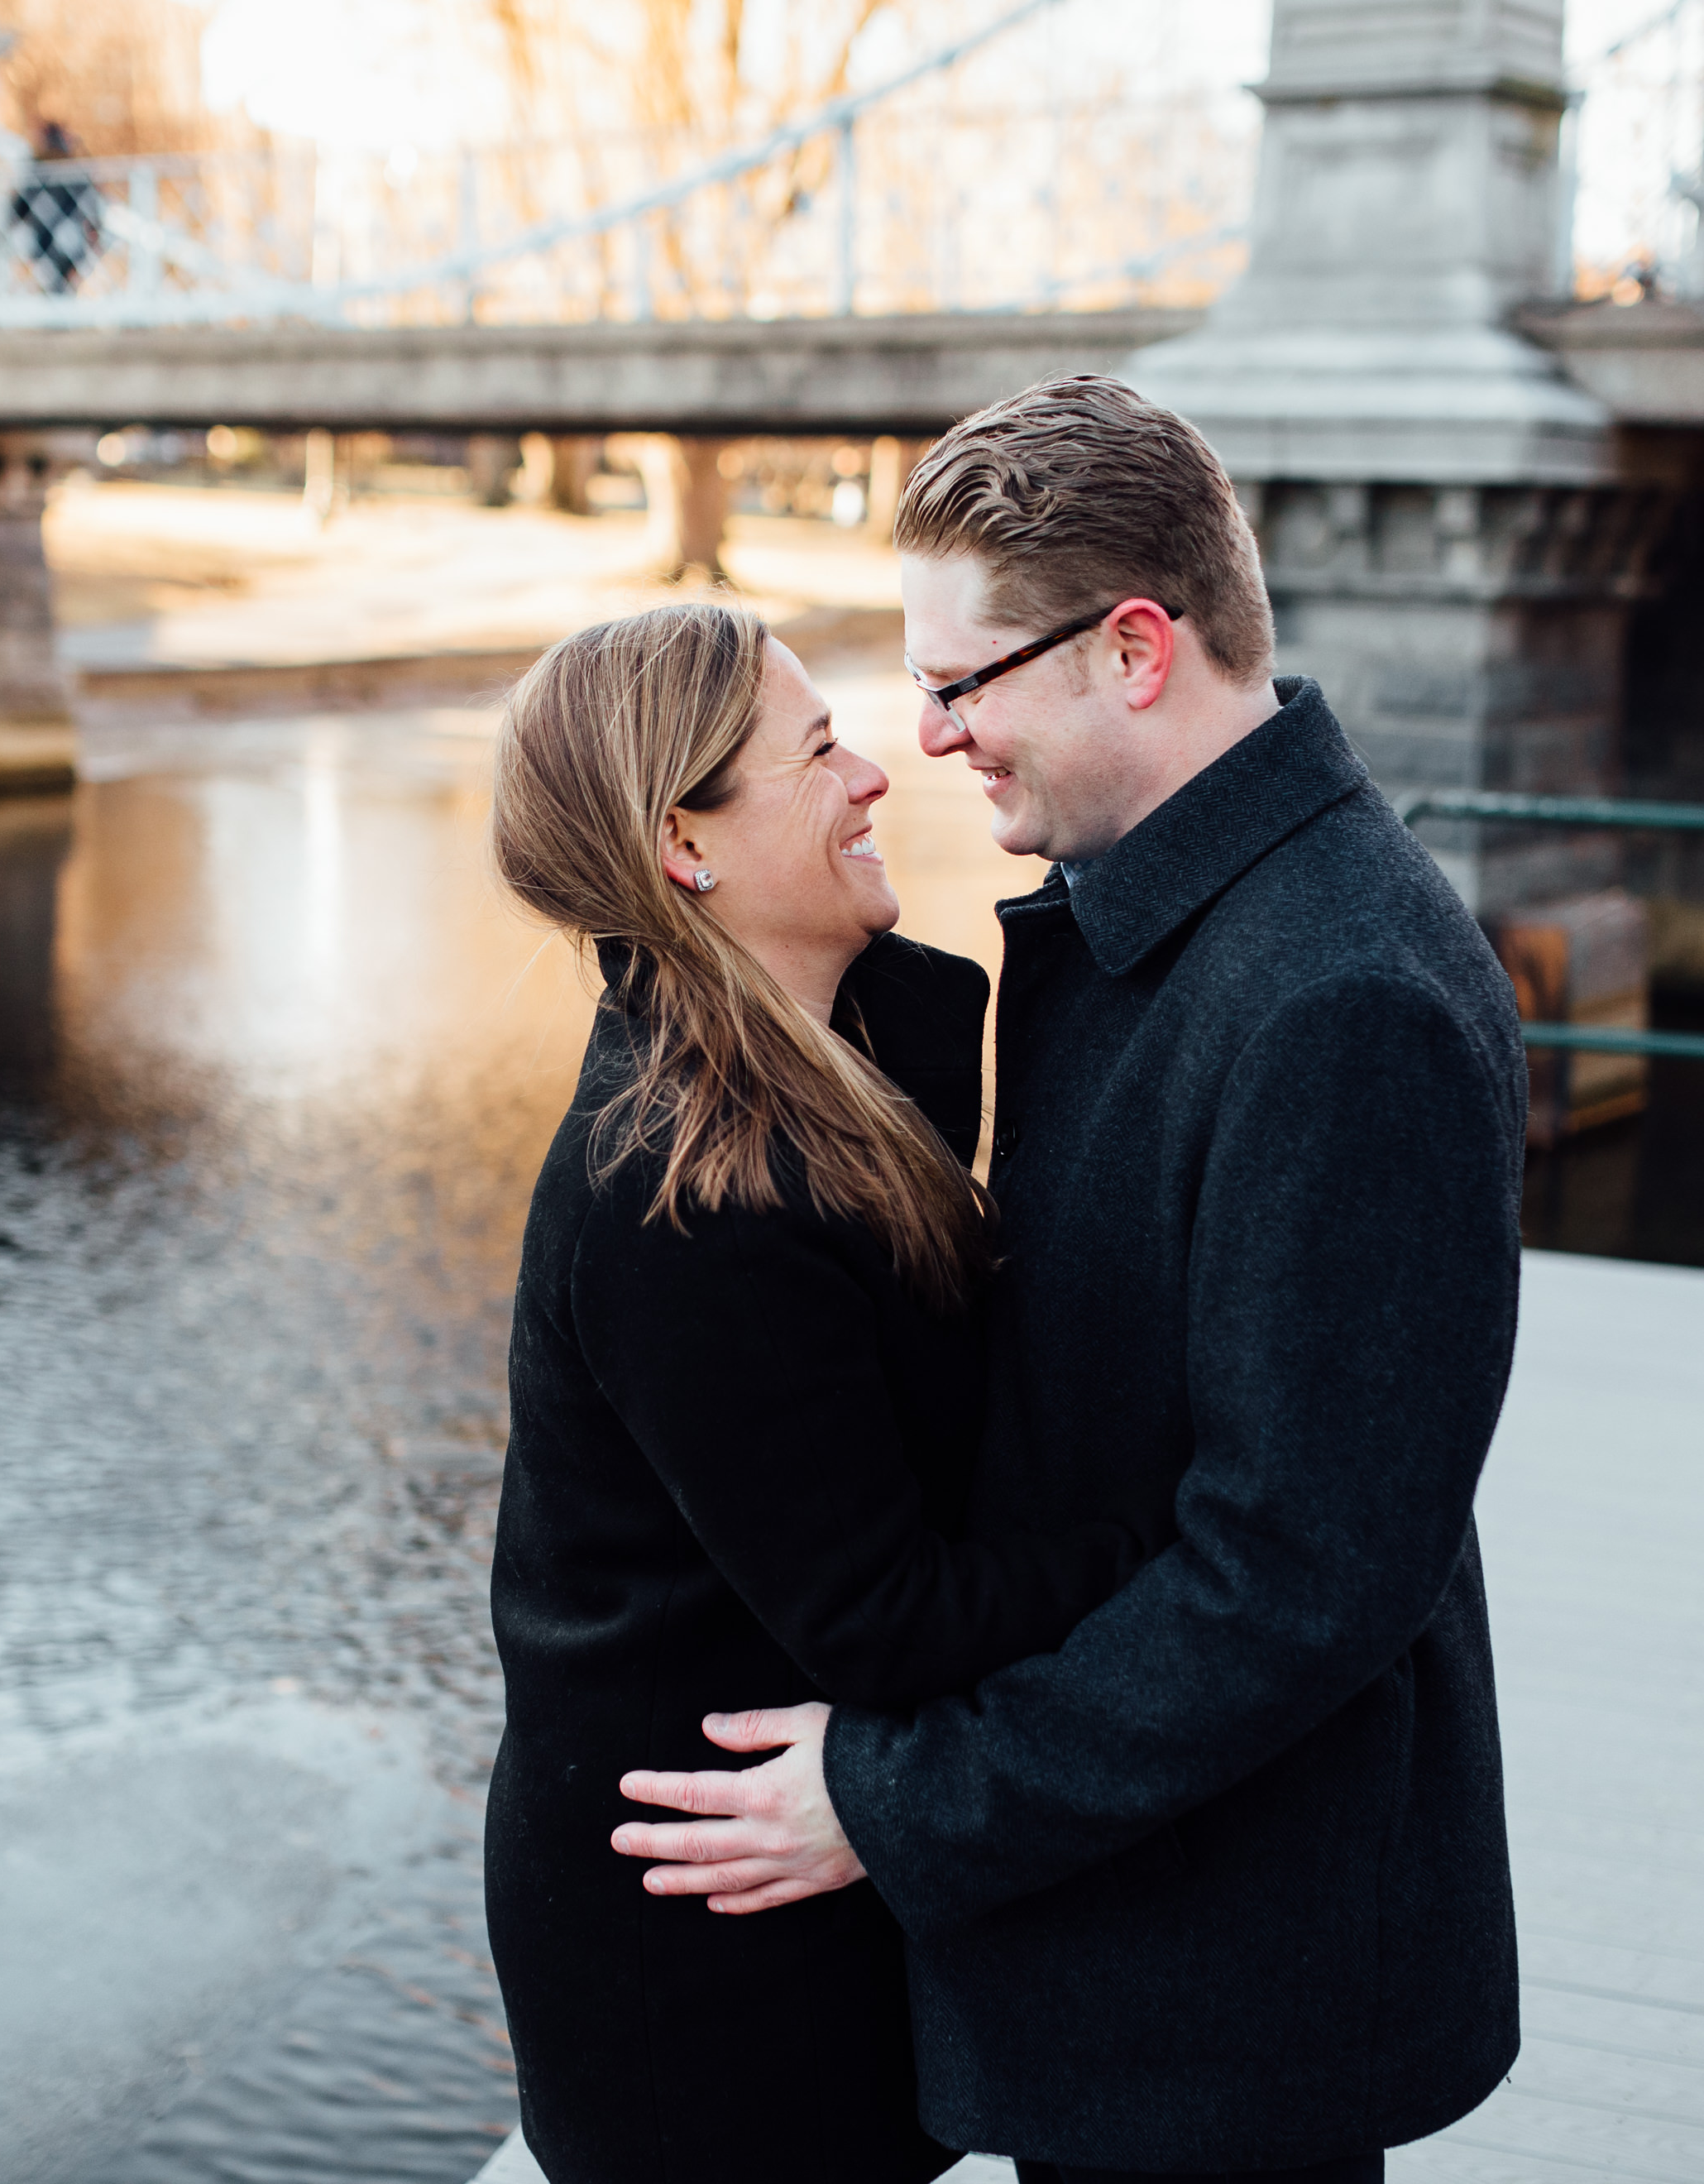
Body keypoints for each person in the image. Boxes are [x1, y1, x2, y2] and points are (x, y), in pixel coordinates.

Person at [611, 376, 1530, 2182]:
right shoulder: (1185, 919)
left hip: (1229, 1969)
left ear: (1130, 650)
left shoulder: (1345, 1002)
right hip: (1145, 1916)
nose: (930, 738)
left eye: (962, 683)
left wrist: (893, 1798)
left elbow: (1302, 1582)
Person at [483, 602, 1159, 2184]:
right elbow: (889, 1614)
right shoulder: (683, 1196)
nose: (875, 774)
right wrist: (1186, 1541)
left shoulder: (808, 1076)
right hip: (700, 1963)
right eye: (816, 752)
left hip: (782, 1875)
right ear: (683, 845)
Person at [12, 121, 99, 296]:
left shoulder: (35, 167)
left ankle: (52, 296)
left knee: (47, 276)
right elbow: (90, 203)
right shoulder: (74, 165)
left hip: (42, 236)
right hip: (69, 235)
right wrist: (94, 229)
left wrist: (15, 221)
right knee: (60, 280)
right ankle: (60, 296)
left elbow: (20, 205)